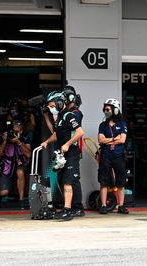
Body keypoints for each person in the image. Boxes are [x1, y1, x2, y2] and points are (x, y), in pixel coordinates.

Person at [41, 92, 85, 221]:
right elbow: (56, 135)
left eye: (52, 105)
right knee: (62, 181)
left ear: (60, 103)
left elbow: (80, 132)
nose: (51, 108)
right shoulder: (59, 117)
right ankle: (66, 209)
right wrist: (47, 142)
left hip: (71, 153)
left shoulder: (69, 115)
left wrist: (67, 144)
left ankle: (67, 210)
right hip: (62, 155)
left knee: (67, 182)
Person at [97, 98, 129, 215]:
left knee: (121, 182)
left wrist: (108, 141)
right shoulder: (102, 125)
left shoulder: (122, 124)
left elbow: (123, 140)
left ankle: (121, 206)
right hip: (106, 156)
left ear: (115, 110)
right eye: (105, 109)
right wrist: (114, 139)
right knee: (103, 182)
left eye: (108, 109)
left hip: (118, 156)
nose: (106, 111)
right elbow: (101, 140)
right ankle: (104, 205)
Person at [0, 120, 31, 209]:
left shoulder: (25, 137)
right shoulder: (3, 138)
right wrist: (5, 141)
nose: (16, 129)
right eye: (14, 127)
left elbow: (28, 154)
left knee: (20, 172)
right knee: (4, 192)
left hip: (20, 163)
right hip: (7, 164)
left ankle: (21, 200)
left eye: (18, 127)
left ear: (21, 128)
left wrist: (18, 142)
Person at [62, 85, 85, 217]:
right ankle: (70, 206)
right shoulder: (65, 114)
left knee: (73, 180)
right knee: (68, 179)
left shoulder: (76, 113)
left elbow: (77, 131)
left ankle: (78, 207)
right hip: (67, 150)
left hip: (74, 149)